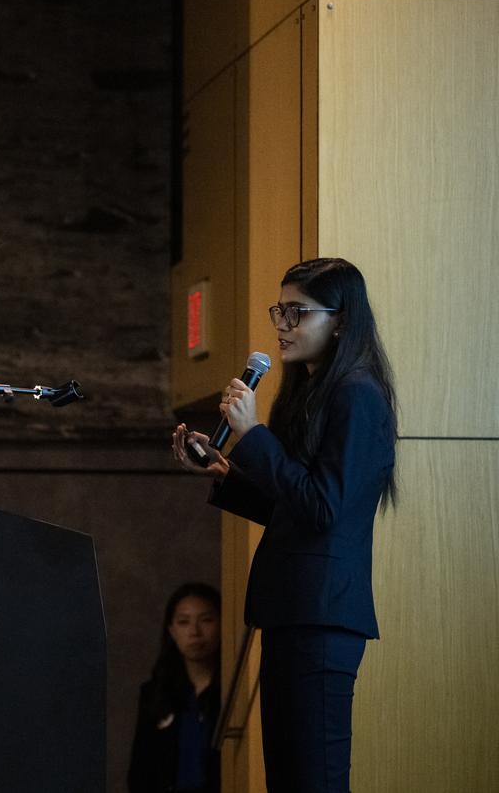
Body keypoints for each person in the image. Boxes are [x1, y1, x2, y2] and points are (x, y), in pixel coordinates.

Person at [170, 257, 397, 793]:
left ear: (340, 320)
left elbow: (325, 509)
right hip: (293, 611)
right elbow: (292, 506)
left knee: (315, 780)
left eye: (298, 313)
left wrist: (253, 436)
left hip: (323, 617)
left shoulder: (358, 394)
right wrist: (226, 469)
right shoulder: (311, 393)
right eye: (280, 310)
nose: (281, 325)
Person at [128, 582, 221, 793]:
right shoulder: (156, 693)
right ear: (172, 630)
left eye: (206, 620)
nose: (195, 632)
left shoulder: (232, 692)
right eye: (184, 622)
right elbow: (140, 771)